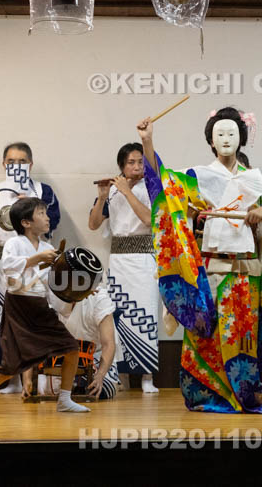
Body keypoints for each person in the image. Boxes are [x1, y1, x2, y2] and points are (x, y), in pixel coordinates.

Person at [137, 107, 262, 413]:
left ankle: (243, 397)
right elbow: (164, 187)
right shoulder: (199, 177)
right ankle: (205, 396)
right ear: (211, 142)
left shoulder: (254, 179)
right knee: (207, 335)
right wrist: (148, 142)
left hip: (247, 272)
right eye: (220, 134)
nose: (226, 139)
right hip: (212, 269)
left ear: (241, 139)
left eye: (232, 133)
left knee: (242, 338)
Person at [0, 197, 89, 414]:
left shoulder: (48, 247)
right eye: (41, 213)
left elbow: (54, 284)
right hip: (19, 307)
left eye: (45, 213)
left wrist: (77, 292)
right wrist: (37, 258)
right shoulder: (14, 244)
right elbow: (8, 268)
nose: (47, 217)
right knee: (10, 366)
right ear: (26, 223)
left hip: (41, 308)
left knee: (71, 348)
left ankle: (64, 399)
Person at [0, 142, 61, 394]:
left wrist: (34, 206)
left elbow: (55, 221)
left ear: (31, 164)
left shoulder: (42, 190)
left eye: (22, 162)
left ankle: (33, 380)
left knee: (32, 318)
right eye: (11, 162)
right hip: (1, 262)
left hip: (36, 260)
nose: (16, 166)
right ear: (4, 164)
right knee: (1, 319)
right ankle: (7, 379)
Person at [88, 143, 160, 394]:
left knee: (146, 314)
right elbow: (94, 225)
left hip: (144, 259)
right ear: (121, 165)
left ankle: (147, 376)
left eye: (140, 162)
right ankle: (121, 375)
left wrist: (127, 191)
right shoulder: (113, 191)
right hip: (118, 260)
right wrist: (103, 197)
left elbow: (149, 221)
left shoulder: (151, 188)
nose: (137, 167)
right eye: (131, 162)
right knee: (118, 316)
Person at [45, 280, 122, 401]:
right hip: (61, 357)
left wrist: (100, 375)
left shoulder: (99, 297)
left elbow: (109, 344)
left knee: (97, 389)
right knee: (46, 389)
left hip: (95, 358)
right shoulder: (53, 294)